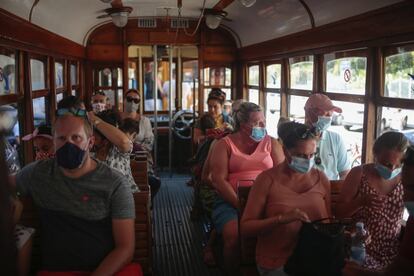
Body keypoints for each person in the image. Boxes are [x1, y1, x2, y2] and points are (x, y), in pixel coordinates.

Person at [9, 108, 141, 275]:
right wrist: (12, 197)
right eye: (62, 138)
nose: (68, 144)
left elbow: (125, 247)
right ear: (54, 142)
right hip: (56, 271)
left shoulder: (115, 184)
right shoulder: (38, 173)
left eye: (76, 138)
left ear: (90, 142)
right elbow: (7, 184)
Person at [240, 121, 331, 276]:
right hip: (277, 260)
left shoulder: (321, 178)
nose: (308, 161)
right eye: (301, 156)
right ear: (285, 151)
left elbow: (328, 222)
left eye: (312, 155)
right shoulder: (267, 180)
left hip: (315, 257)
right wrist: (281, 219)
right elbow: (246, 228)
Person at [209, 102, 285, 274]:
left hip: (267, 201)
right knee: (233, 236)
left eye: (263, 122)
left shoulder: (271, 143)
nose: (263, 126)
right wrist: (240, 205)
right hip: (231, 202)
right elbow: (218, 181)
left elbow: (282, 176)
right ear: (243, 126)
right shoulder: (224, 145)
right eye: (257, 123)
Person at [337, 131, 408, 271]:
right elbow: (339, 213)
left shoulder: (406, 178)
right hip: (360, 246)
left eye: (398, 165)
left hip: (393, 249)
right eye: (386, 163)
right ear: (375, 155)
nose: (392, 169)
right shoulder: (359, 174)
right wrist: (361, 202)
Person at [304, 93, 351, 180]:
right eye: (325, 115)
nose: (329, 118)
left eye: (330, 115)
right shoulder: (296, 138)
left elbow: (345, 173)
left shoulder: (336, 139)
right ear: (310, 113)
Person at [91, 110, 139, 193]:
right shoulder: (90, 151)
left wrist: (94, 120)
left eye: (95, 134)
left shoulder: (117, 148)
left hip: (127, 199)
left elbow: (124, 142)